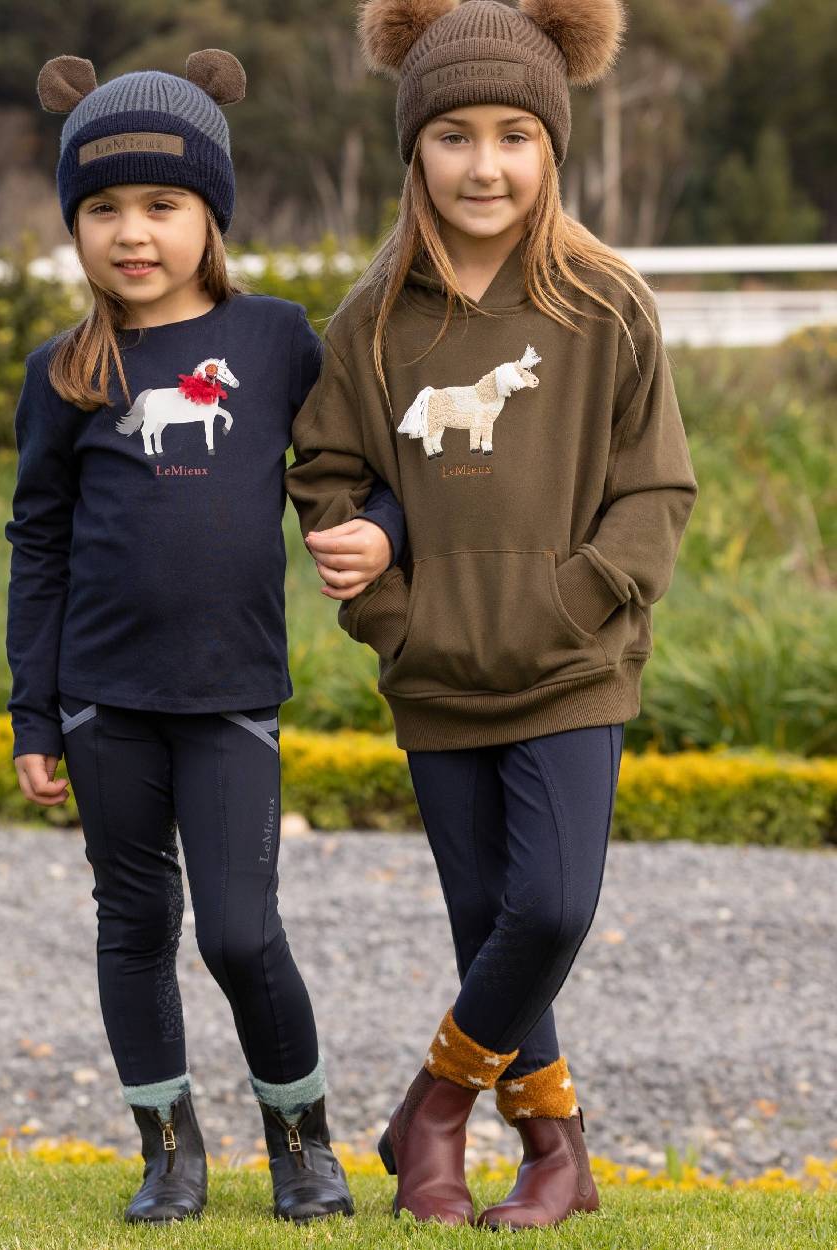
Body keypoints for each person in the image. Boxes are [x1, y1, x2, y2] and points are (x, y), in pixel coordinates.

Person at [286, 0, 698, 1230]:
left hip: (572, 665)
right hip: (437, 671)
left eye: (514, 134)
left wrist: (579, 598)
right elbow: (329, 474)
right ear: (414, 149)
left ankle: (429, 1107)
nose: (485, 163)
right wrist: (382, 590)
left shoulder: (606, 304)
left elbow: (656, 487)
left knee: (555, 906)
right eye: (455, 134)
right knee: (492, 925)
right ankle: (555, 1150)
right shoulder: (371, 323)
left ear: (550, 146)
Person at [4, 50, 405, 1225]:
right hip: (101, 703)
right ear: (75, 224)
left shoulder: (277, 340)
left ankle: (301, 1142)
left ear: (209, 215)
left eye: (162, 205)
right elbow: (39, 546)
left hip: (230, 695)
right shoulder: (66, 372)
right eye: (104, 208)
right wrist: (35, 709)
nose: (134, 233)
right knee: (135, 925)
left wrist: (377, 530)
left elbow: (365, 468)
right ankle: (168, 1150)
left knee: (239, 929)